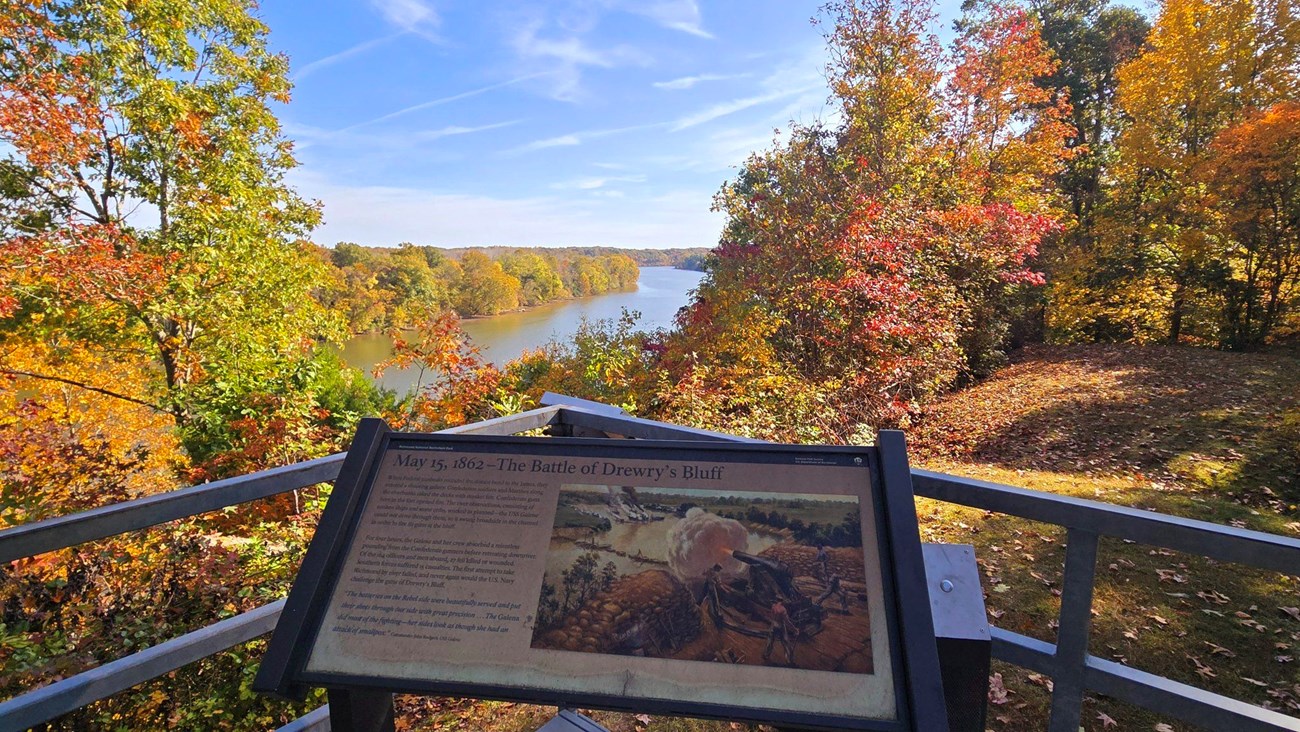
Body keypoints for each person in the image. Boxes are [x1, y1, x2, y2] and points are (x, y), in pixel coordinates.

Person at [762, 600, 797, 665]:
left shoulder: (773, 606)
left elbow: (772, 615)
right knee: (786, 642)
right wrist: (795, 629)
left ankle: (766, 654)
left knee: (770, 640)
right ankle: (789, 660)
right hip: (781, 626)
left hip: (773, 625)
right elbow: (787, 622)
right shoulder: (783, 610)